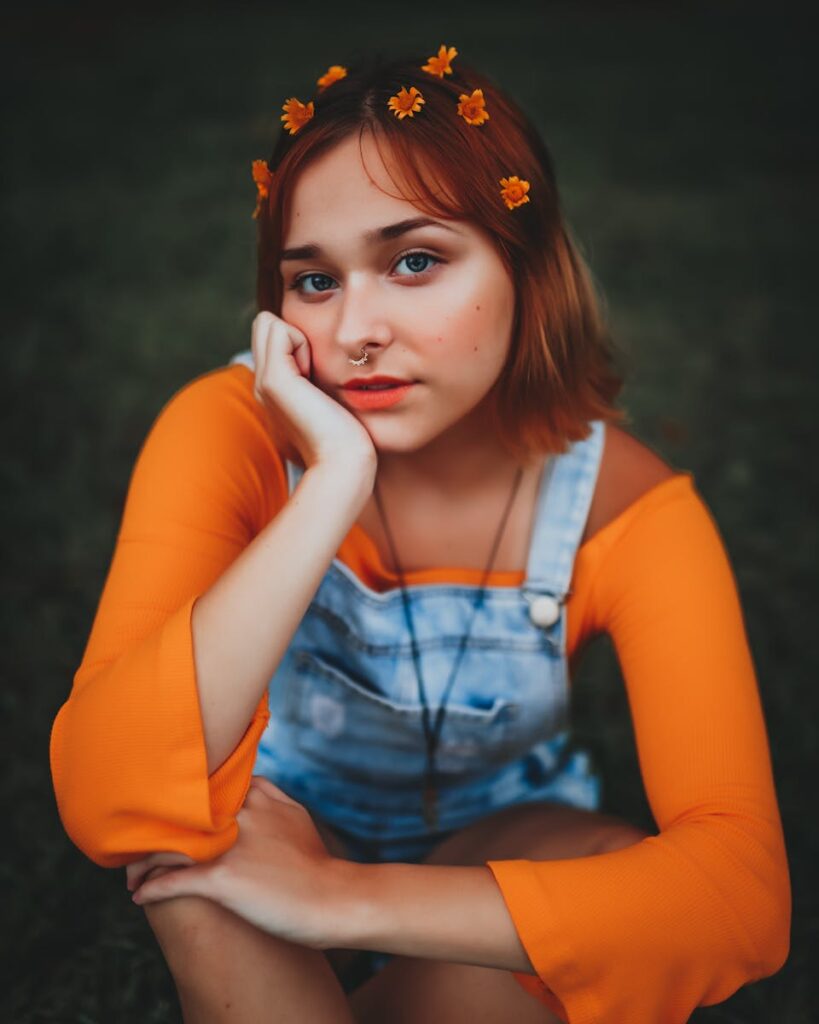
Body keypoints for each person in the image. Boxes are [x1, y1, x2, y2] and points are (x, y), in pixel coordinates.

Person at [49, 47, 791, 1023]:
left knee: (606, 882)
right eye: (313, 281)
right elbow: (110, 791)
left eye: (414, 260)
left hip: (495, 835)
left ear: (528, 267)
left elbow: (741, 900)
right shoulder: (226, 427)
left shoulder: (629, 508)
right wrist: (332, 484)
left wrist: (338, 897)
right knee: (180, 833)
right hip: (271, 818)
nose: (356, 328)